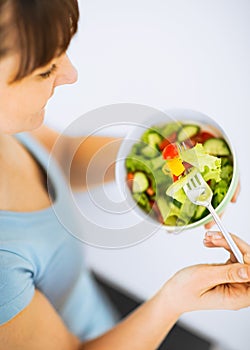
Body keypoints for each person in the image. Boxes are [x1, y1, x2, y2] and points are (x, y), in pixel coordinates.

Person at [0, 1, 249, 349]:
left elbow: (62, 156)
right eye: (45, 70)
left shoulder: (9, 128)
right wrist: (175, 301)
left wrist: (158, 157)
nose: (72, 74)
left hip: (103, 311)